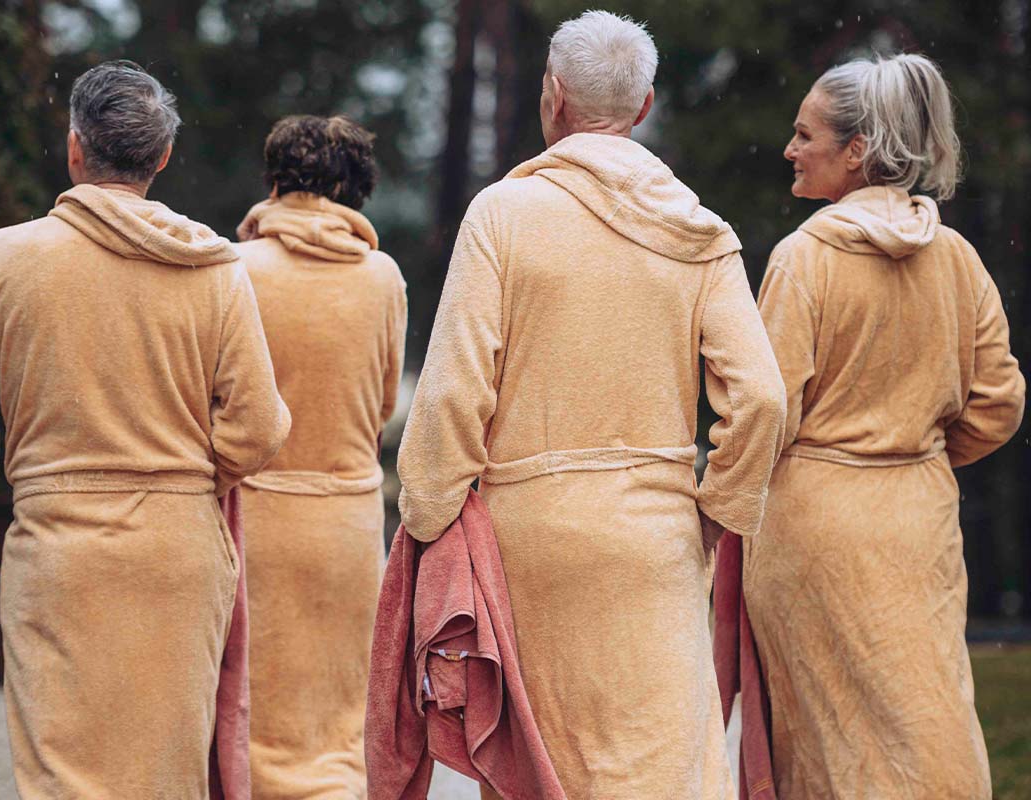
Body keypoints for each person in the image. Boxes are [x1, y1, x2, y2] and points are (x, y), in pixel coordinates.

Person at [396, 11, 786, 798]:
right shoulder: (699, 232)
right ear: (643, 109)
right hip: (656, 538)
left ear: (553, 96)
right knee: (663, 762)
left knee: (550, 769)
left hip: (531, 541)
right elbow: (764, 399)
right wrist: (717, 510)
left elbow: (452, 391)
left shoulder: (503, 215)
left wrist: (428, 515)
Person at [0, 60, 291, 798]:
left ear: (75, 148)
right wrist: (184, 481)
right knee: (168, 774)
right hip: (180, 557)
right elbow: (257, 428)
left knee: (64, 776)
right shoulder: (216, 267)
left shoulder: (1, 260)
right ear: (163, 157)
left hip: (60, 557)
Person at [742, 53, 1025, 799]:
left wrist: (723, 498)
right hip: (919, 519)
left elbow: (767, 409)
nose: (789, 149)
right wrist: (914, 451)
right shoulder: (959, 259)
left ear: (856, 152)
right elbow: (998, 403)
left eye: (805, 136)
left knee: (825, 731)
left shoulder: (803, 258)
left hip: (813, 528)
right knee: (929, 715)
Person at [233, 115, 406, 798]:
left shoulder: (236, 269)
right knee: (341, 718)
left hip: (257, 514)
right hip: (348, 521)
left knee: (255, 712)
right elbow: (385, 398)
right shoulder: (384, 278)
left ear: (274, 182)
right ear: (357, 193)